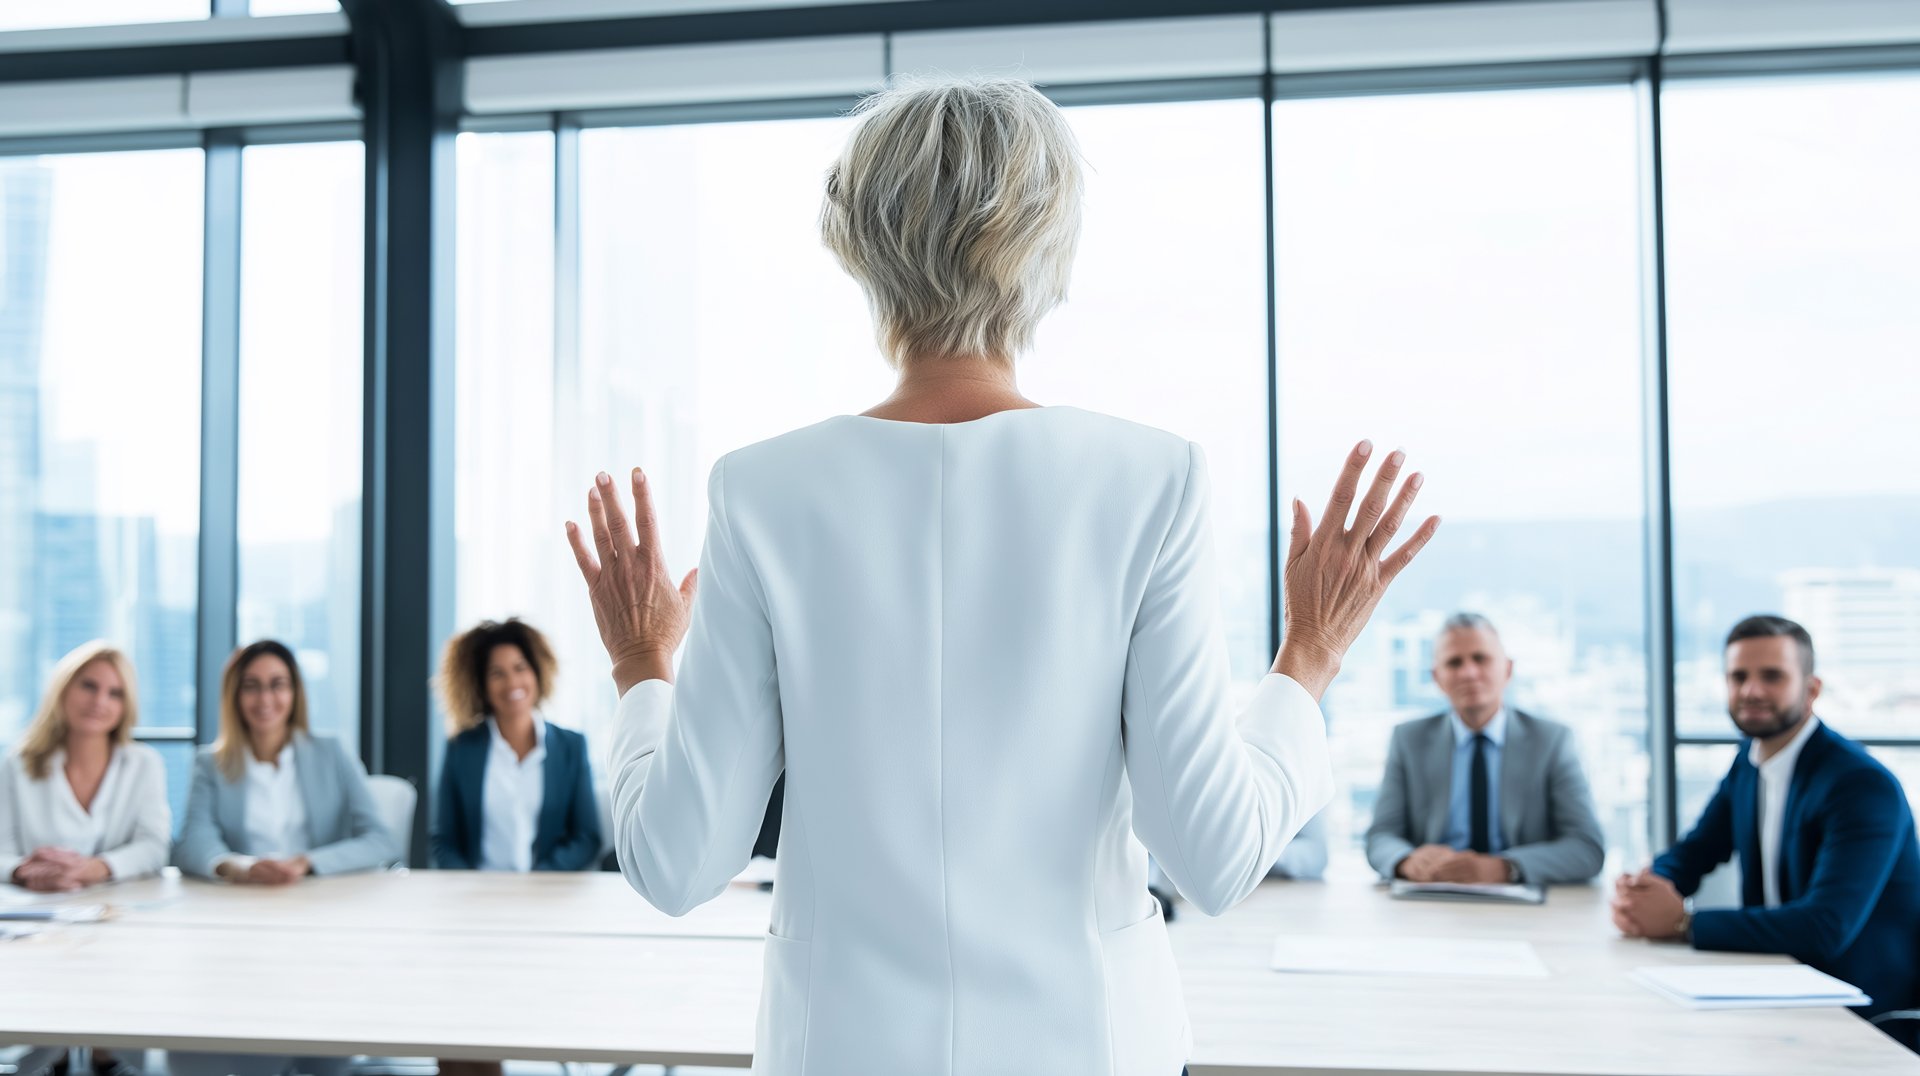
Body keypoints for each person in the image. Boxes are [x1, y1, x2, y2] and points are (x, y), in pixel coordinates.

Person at [564, 77, 1439, 1076]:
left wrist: (641, 662)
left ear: (855, 241)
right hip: (1088, 1043)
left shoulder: (761, 491)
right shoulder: (1150, 477)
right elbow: (1215, 850)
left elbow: (676, 864)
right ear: (1048, 245)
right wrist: (1310, 655)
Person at [1611, 615, 1920, 1051]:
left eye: (1771, 676)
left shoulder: (1860, 785)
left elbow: (1824, 927)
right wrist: (1646, 889)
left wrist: (1682, 922)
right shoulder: (1750, 761)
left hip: (1866, 1022)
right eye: (1738, 676)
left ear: (1811, 690)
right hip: (1780, 992)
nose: (1751, 690)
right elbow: (1697, 851)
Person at [2, 640, 169, 1076]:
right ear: (63, 691)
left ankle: (104, 1057)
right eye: (88, 686)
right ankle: (51, 1057)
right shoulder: (18, 765)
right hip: (38, 923)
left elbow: (155, 846)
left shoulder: (142, 764)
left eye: (114, 693)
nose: (100, 701)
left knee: (114, 1004)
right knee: (44, 1027)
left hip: (121, 921)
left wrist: (96, 867)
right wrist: (23, 871)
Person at [1365, 613, 1604, 885]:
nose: (1468, 672)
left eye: (1481, 658)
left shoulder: (1552, 741)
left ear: (1508, 669)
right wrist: (1406, 861)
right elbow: (1380, 836)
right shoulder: (1409, 740)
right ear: (1437, 678)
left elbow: (1587, 849)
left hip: (1524, 905)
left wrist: (1502, 868)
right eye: (1454, 662)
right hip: (1434, 897)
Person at [172, 640, 397, 884]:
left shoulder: (332, 752)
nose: (265, 699)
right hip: (245, 896)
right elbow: (192, 843)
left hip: (323, 896)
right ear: (235, 695)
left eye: (277, 685)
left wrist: (307, 862)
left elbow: (381, 840)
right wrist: (239, 867)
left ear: (294, 693)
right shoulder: (210, 764)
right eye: (251, 686)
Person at [429, 617, 601, 873]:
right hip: (476, 896)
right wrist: (468, 887)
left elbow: (587, 838)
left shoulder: (571, 747)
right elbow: (444, 841)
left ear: (537, 672)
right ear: (481, 685)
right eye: (497, 673)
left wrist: (539, 881)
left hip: (546, 893)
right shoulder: (461, 748)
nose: (512, 682)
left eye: (520, 668)